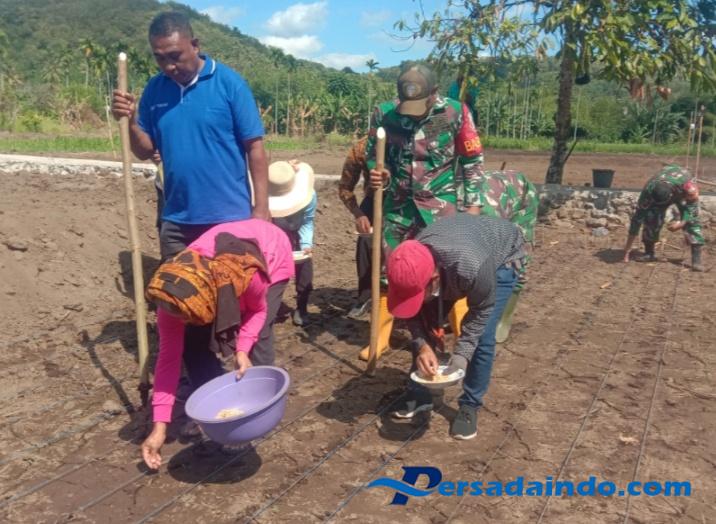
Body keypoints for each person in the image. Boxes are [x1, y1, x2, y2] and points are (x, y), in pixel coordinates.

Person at [111, 11, 270, 262]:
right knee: (176, 287)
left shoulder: (229, 84)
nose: (169, 66)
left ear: (195, 45)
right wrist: (130, 121)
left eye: (175, 56)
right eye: (160, 58)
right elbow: (144, 151)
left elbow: (255, 147)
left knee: (226, 287)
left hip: (228, 219)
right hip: (177, 222)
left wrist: (261, 208)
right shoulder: (155, 89)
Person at [141, 219, 293, 469]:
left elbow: (258, 311)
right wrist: (159, 428)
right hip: (215, 279)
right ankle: (214, 412)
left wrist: (242, 349)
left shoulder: (247, 276)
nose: (181, 321)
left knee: (259, 337)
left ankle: (255, 414)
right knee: (193, 342)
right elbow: (168, 360)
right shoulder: (171, 296)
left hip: (270, 252)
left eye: (188, 316)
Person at [359, 63, 485, 361]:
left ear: (434, 93)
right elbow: (372, 156)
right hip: (397, 209)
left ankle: (454, 333)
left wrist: (473, 206)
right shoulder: (384, 114)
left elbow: (472, 160)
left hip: (440, 210)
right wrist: (380, 174)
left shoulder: (455, 112)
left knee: (443, 275)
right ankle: (381, 337)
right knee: (393, 272)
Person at [385, 214, 527, 440]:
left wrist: (461, 355)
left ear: (433, 279)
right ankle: (420, 395)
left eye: (419, 293)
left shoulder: (471, 266)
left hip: (501, 256)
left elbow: (481, 311)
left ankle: (470, 404)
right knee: (426, 321)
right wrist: (423, 346)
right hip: (458, 251)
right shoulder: (406, 261)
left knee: (483, 336)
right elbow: (411, 313)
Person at [450, 170, 539, 343]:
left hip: (520, 198)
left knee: (515, 258)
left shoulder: (486, 215)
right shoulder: (445, 207)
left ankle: (502, 317)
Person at [623, 164, 704, 271]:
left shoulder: (688, 187)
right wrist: (627, 249)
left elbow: (691, 208)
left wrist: (681, 223)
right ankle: (649, 253)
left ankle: (696, 261)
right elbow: (637, 219)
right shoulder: (648, 191)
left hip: (678, 188)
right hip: (662, 189)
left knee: (692, 222)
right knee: (652, 217)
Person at [269, 161, 317, 327]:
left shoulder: (308, 196)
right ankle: (271, 308)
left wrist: (306, 244)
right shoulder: (264, 198)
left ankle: (302, 308)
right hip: (273, 233)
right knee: (273, 272)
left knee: (305, 269)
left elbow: (307, 221)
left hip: (297, 232)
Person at [337, 136, 374, 319]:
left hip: (407, 200)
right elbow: (345, 188)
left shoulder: (411, 141)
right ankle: (365, 297)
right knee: (365, 242)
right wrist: (359, 214)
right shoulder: (361, 148)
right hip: (375, 199)